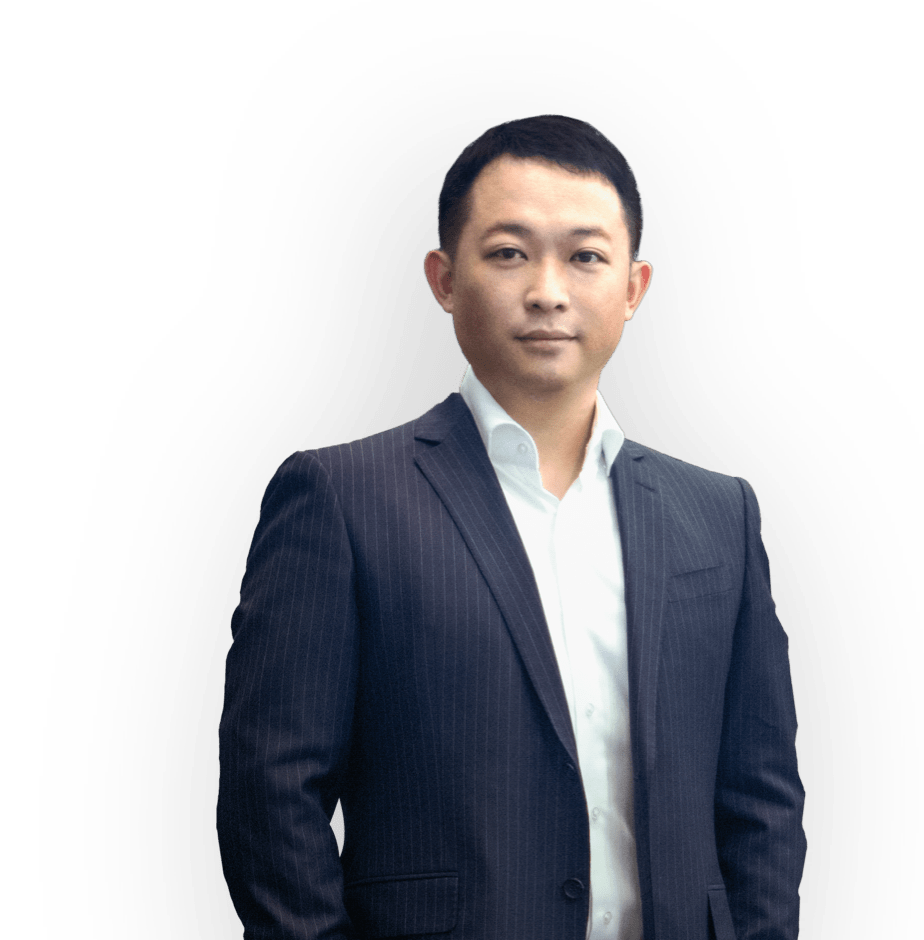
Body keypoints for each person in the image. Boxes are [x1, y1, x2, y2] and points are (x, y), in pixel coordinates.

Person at [217, 114, 806, 940]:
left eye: (585, 256)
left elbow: (762, 795)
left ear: (634, 288)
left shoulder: (718, 513)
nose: (548, 292)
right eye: (508, 253)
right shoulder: (340, 499)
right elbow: (272, 790)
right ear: (444, 278)